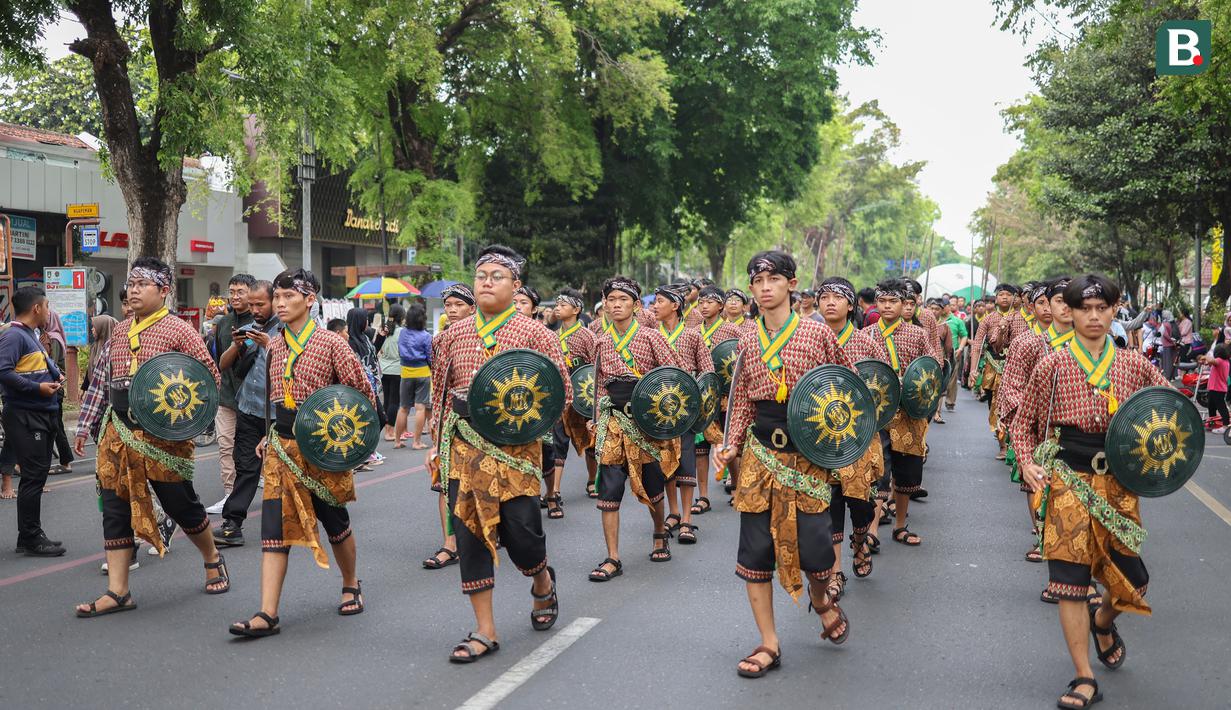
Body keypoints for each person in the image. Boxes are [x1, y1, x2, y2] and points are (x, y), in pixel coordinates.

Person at [1014, 274, 1169, 710]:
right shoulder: (1053, 363)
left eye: (1103, 308)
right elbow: (1023, 424)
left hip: (1119, 483)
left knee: (1134, 580)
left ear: (1114, 310)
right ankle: (1083, 675)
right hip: (1067, 479)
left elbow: (1170, 409)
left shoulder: (1135, 364)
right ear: (1073, 312)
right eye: (1086, 309)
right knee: (1069, 582)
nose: (1095, 316)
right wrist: (1027, 463)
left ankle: (1104, 621)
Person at [711, 252, 851, 678]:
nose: (765, 286)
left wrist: (838, 449)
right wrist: (731, 445)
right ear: (752, 289)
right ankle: (769, 643)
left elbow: (846, 392)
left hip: (807, 455)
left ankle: (823, 600)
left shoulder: (816, 335)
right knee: (755, 550)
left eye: (774, 278)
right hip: (760, 456)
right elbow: (740, 404)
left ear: (792, 284)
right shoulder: (747, 340)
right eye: (758, 280)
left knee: (814, 550)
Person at [427, 245, 569, 663]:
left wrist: (523, 422)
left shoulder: (536, 334)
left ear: (516, 286)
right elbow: (439, 396)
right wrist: (436, 448)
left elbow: (560, 394)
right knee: (468, 535)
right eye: (481, 275)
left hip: (516, 449)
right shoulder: (451, 335)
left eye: (497, 276)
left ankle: (541, 580)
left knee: (522, 534)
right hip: (463, 445)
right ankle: (484, 629)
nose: (487, 282)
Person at [73, 257, 229, 618]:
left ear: (164, 291)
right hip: (117, 432)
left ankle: (212, 557)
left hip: (163, 435)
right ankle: (118, 590)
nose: (135, 290)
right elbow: (101, 381)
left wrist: (182, 419)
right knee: (114, 508)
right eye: (132, 284)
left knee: (180, 505)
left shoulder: (180, 331)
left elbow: (208, 381)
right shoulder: (118, 330)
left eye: (144, 284)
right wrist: (85, 425)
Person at [227, 268, 376, 638]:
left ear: (310, 300)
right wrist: (270, 433)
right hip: (282, 445)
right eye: (277, 297)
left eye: (288, 296)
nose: (280, 303)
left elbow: (361, 395)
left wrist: (350, 445)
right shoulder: (274, 344)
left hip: (323, 447)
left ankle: (351, 583)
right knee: (273, 528)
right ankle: (267, 612)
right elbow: (275, 399)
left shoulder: (333, 344)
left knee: (335, 522)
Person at [588, 275, 682, 582]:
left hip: (646, 421)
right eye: (611, 300)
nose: (616, 305)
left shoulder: (652, 337)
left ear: (635, 305)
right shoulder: (600, 341)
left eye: (623, 300)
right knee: (609, 487)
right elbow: (599, 383)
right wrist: (595, 415)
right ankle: (612, 557)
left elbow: (673, 374)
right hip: (613, 421)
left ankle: (659, 533)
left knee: (652, 484)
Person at [816, 277, 882, 596]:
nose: (830, 302)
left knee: (860, 503)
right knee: (831, 500)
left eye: (837, 297)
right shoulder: (809, 339)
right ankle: (835, 572)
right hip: (820, 433)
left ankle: (860, 537)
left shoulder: (866, 342)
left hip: (858, 434)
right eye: (824, 297)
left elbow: (881, 386)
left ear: (851, 305)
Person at [864, 279, 932, 546]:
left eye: (893, 301)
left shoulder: (917, 334)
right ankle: (872, 528)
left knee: (906, 470)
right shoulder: (866, 334)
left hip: (909, 412)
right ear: (876, 303)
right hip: (878, 412)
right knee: (879, 469)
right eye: (882, 301)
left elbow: (931, 368)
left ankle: (901, 526)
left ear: (905, 304)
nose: (887, 306)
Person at [0, 287, 67, 556]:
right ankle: (31, 537)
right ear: (37, 308)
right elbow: (2, 371)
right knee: (33, 477)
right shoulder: (14, 335)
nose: (49, 312)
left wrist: (55, 377)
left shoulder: (30, 335)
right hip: (25, 414)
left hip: (40, 412)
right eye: (47, 306)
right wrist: (36, 389)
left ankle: (27, 534)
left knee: (35, 476)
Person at [213, 281, 280, 547]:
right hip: (248, 408)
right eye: (251, 305)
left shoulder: (286, 330)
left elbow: (293, 366)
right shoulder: (248, 329)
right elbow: (223, 364)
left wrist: (268, 344)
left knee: (283, 469)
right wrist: (236, 345)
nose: (254, 310)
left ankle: (293, 519)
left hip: (278, 414)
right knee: (246, 468)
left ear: (274, 301)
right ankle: (233, 524)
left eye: (259, 304)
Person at [652, 281, 714, 545]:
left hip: (686, 409)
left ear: (675, 306)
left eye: (659, 302)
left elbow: (708, 372)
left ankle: (687, 518)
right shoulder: (650, 335)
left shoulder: (692, 336)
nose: (654, 307)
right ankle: (673, 512)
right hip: (659, 410)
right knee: (666, 462)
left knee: (687, 461)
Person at [421, 284, 475, 571]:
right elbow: (439, 386)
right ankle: (449, 545)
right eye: (449, 305)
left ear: (472, 308)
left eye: (459, 305)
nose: (452, 310)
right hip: (452, 420)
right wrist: (437, 426)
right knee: (445, 484)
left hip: (485, 423)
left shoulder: (489, 337)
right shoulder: (440, 340)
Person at [207, 274, 256, 515]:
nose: (235, 296)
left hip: (255, 400)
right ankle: (229, 493)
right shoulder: (224, 323)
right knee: (225, 444)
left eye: (241, 291)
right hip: (227, 396)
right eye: (232, 291)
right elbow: (218, 362)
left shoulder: (262, 322)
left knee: (253, 449)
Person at [693, 285, 742, 515]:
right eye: (701, 302)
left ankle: (737, 487)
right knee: (700, 448)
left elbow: (742, 359)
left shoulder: (733, 331)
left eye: (709, 302)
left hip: (725, 397)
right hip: (701, 396)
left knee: (728, 443)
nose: (704, 306)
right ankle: (703, 496)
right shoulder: (692, 331)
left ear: (720, 305)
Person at [549, 287, 597, 511]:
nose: (557, 308)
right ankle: (554, 491)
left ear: (576, 309)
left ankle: (592, 480)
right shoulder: (550, 336)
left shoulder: (588, 336)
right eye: (556, 305)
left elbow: (595, 368)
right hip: (560, 397)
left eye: (563, 305)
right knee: (558, 443)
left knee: (590, 441)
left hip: (583, 396)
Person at [346, 307, 385, 470]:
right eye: (365, 320)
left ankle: (367, 451)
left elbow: (373, 354)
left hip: (373, 385)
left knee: (378, 419)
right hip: (362, 387)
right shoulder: (350, 342)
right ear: (359, 321)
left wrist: (382, 338)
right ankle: (364, 453)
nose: (368, 323)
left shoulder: (364, 337)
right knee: (376, 419)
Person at [39, 308, 74, 475]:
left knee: (56, 425)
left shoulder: (53, 339)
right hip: (52, 387)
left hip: (54, 387)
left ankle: (66, 462)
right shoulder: (47, 336)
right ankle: (65, 460)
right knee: (55, 425)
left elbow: (52, 364)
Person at [395, 305, 433, 451]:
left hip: (405, 372)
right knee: (420, 408)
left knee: (403, 407)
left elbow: (400, 351)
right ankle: (417, 442)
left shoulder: (403, 333)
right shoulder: (426, 336)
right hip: (422, 372)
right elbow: (430, 356)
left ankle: (398, 441)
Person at [375, 304, 406, 442]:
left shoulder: (384, 330)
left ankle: (388, 429)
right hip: (397, 369)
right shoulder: (402, 332)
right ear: (402, 317)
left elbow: (376, 348)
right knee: (395, 401)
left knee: (387, 400)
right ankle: (389, 430)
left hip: (384, 369)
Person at [942, 299, 968, 412]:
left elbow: (964, 336)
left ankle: (950, 402)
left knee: (952, 378)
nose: (941, 308)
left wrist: (961, 349)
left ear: (948, 307)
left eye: (943, 306)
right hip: (938, 351)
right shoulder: (935, 320)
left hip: (953, 352)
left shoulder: (957, 321)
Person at [1201, 344, 1230, 433]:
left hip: (1217, 389)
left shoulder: (1220, 361)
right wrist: (1206, 361)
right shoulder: (1225, 362)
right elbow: (1211, 363)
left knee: (1221, 407)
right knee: (1211, 406)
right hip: (1215, 388)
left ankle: (1225, 425)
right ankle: (1212, 422)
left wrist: (1205, 356)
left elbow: (1211, 360)